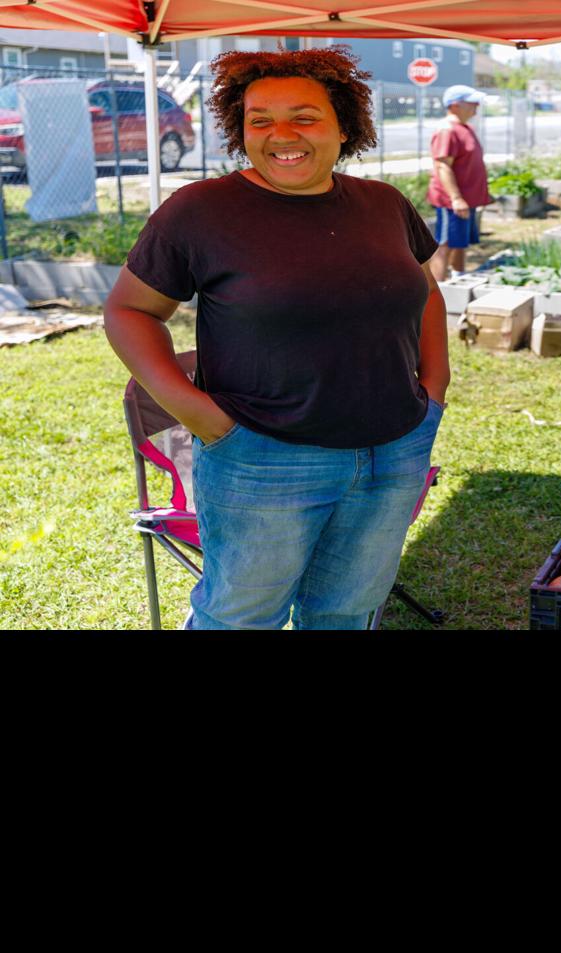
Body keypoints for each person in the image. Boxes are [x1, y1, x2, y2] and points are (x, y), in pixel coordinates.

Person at [102, 47, 448, 630]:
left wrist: (434, 388)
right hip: (261, 458)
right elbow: (130, 311)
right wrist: (204, 418)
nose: (281, 135)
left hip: (394, 451)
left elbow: (426, 291)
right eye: (259, 120)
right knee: (241, 617)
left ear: (344, 126)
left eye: (304, 118)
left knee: (346, 612)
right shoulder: (200, 212)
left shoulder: (384, 204)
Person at [426, 84, 492, 280]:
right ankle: (436, 288)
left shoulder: (465, 128)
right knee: (445, 243)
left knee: (460, 242)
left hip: (465, 198)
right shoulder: (447, 130)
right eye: (472, 103)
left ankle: (459, 278)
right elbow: (443, 166)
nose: (476, 107)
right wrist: (456, 198)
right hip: (452, 201)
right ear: (455, 105)